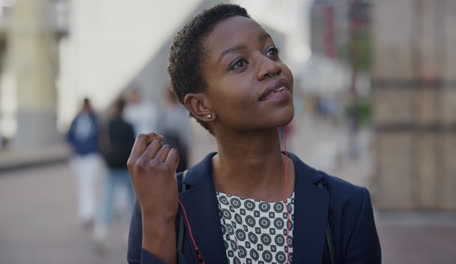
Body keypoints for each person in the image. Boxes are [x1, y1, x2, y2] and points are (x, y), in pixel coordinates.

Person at [127, 4, 380, 264]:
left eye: (271, 51)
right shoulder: (164, 202)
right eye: (239, 63)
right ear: (201, 106)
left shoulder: (346, 206)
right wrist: (159, 221)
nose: (270, 66)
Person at [95, 96, 136, 248]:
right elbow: (134, 147)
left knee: (108, 200)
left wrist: (106, 160)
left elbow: (102, 144)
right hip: (125, 167)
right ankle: (129, 234)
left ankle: (101, 232)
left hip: (111, 166)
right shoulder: (129, 125)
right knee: (131, 201)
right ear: (125, 108)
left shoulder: (108, 124)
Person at [66, 97, 101, 228]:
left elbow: (100, 135)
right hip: (79, 157)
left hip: (92, 155)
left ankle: (90, 212)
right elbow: (69, 135)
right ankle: (85, 213)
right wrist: (73, 146)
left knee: (91, 184)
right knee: (82, 185)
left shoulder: (94, 118)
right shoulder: (77, 119)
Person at [156, 87, 192, 172]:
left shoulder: (163, 112)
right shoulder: (180, 112)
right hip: (177, 149)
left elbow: (158, 131)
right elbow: (185, 133)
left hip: (167, 148)